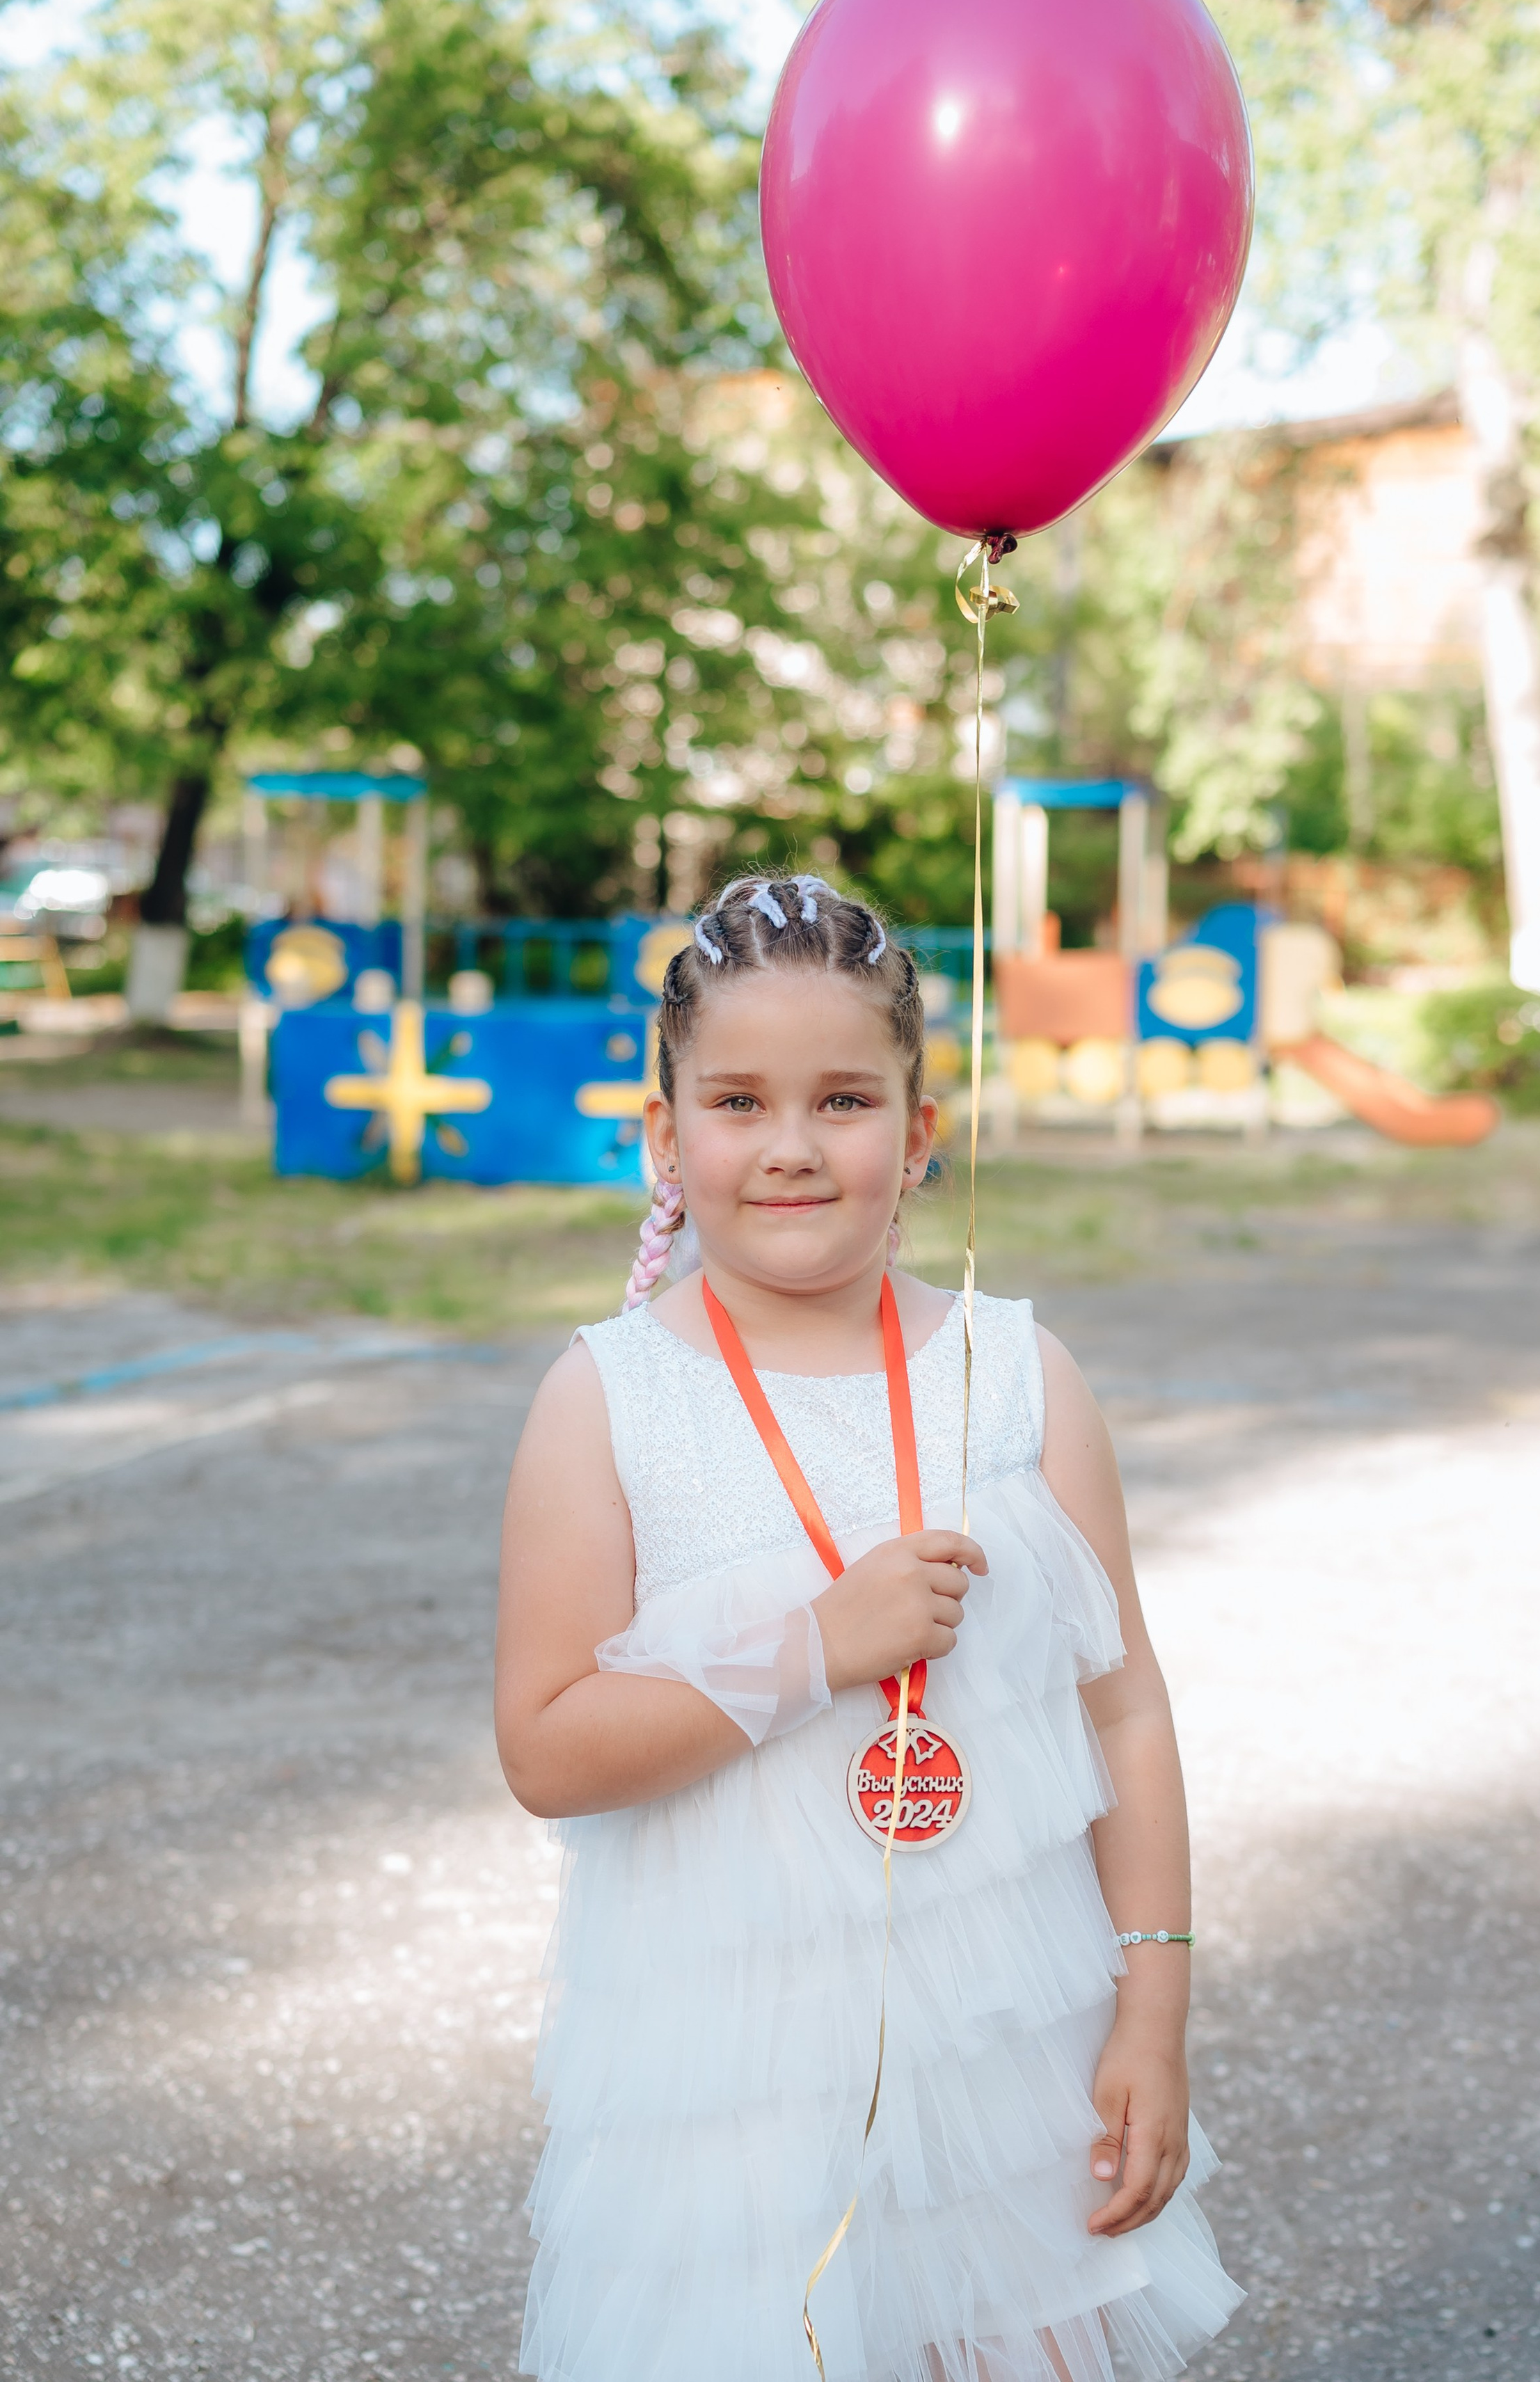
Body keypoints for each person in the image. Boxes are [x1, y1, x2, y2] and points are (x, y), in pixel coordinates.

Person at [495, 873, 1244, 2382]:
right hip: (729, 2082)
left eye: (843, 1100)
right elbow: (548, 1751)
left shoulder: (1017, 1376)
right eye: (737, 1102)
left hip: (1004, 2053)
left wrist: (1152, 2014)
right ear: (664, 1137)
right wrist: (815, 1648)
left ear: (916, 1135)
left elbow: (1125, 1710)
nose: (790, 1144)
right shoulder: (609, 1401)